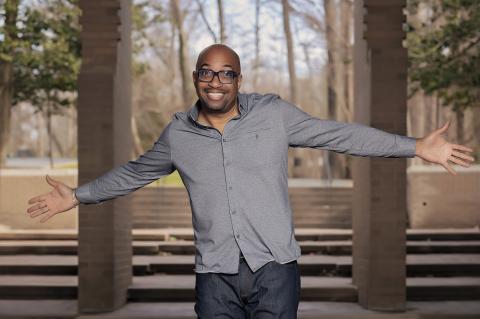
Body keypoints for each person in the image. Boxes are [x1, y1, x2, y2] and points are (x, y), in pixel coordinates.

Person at [27, 44, 474, 318]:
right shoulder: (178, 134)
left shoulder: (275, 116)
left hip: (275, 270)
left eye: (226, 73)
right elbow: (135, 172)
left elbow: (340, 134)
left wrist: (414, 145)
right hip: (214, 275)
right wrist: (78, 196)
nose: (216, 81)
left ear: (239, 79)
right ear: (197, 78)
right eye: (207, 71)